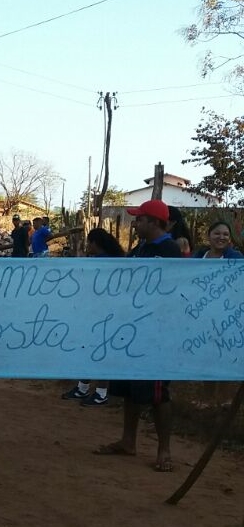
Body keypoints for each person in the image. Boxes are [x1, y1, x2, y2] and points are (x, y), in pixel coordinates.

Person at [94, 198, 181, 472]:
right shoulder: (141, 248)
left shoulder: (169, 251)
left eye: (140, 219)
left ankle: (164, 450)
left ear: (154, 222)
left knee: (157, 393)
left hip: (155, 332)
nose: (135, 223)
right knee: (129, 388)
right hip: (131, 328)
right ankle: (128, 441)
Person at [60, 228, 125, 406]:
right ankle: (84, 387)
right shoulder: (114, 261)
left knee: (99, 352)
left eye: (89, 242)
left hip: (103, 314)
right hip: (96, 312)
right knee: (91, 350)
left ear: (96, 244)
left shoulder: (102, 263)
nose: (88, 246)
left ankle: (101, 392)